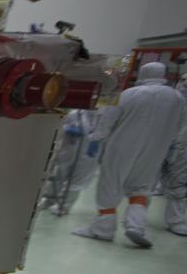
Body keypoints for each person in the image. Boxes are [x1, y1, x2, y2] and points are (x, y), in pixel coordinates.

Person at [73, 62, 186, 247]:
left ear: (143, 73)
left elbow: (108, 117)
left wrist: (96, 138)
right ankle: (136, 226)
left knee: (111, 183)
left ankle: (103, 229)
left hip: (122, 147)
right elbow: (181, 126)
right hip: (156, 149)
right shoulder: (177, 98)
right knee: (141, 187)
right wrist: (172, 145)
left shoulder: (130, 94)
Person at [41, 108, 100, 215]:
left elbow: (106, 132)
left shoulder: (104, 117)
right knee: (58, 175)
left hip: (88, 154)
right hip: (68, 150)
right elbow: (60, 126)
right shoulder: (75, 113)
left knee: (78, 181)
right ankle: (49, 200)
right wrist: (67, 129)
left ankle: (64, 206)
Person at [162, 78, 187, 237]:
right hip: (161, 143)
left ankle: (175, 221)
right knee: (144, 182)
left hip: (181, 148)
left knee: (178, 184)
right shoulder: (172, 100)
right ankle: (135, 218)